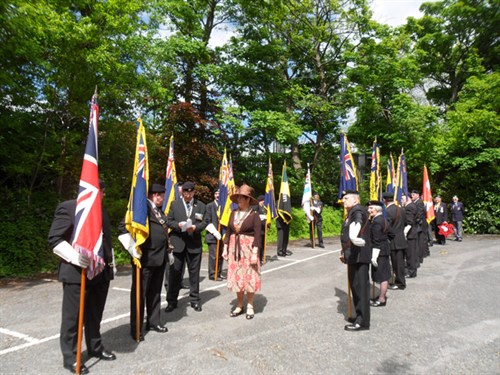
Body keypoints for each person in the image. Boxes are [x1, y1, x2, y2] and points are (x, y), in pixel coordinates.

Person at [48, 181, 116, 374]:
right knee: (73, 318)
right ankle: (71, 357)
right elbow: (55, 238)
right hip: (76, 272)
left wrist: (111, 264)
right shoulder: (69, 208)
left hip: (99, 272)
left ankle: (95, 347)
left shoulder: (101, 211)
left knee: (95, 315)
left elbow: (106, 240)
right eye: (101, 191)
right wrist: (74, 257)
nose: (103, 194)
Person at [118, 183, 169, 342]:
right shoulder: (141, 208)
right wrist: (132, 248)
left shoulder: (158, 211)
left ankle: (153, 322)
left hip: (159, 258)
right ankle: (136, 328)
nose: (161, 197)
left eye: (162, 194)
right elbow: (123, 227)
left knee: (155, 293)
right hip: (144, 260)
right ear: (150, 195)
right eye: (158, 194)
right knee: (139, 295)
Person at [165, 181, 207, 312]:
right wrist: (178, 225)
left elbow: (205, 222)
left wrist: (195, 228)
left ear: (194, 192)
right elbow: (168, 221)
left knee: (194, 275)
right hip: (178, 244)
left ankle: (195, 300)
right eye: (185, 192)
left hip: (194, 244)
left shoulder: (200, 205)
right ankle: (171, 301)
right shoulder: (174, 204)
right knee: (175, 274)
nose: (188, 195)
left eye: (190, 192)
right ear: (181, 192)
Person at [222, 184, 262, 319]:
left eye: (241, 198)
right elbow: (228, 231)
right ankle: (240, 305)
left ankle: (250, 305)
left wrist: (255, 253)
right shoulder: (233, 213)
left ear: (248, 200)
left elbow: (258, 235)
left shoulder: (255, 215)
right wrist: (225, 247)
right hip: (235, 248)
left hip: (249, 249)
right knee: (237, 276)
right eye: (238, 198)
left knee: (249, 276)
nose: (238, 200)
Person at [340, 190, 371, 331]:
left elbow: (357, 223)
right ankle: (359, 315)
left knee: (361, 288)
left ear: (355, 200)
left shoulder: (357, 210)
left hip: (359, 255)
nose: (343, 200)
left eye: (346, 198)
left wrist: (353, 236)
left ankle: (363, 322)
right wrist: (344, 252)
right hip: (353, 255)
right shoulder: (352, 211)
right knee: (355, 287)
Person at [367, 201, 391, 307]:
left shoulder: (376, 221)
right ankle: (382, 296)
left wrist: (374, 256)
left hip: (379, 251)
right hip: (384, 248)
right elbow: (391, 234)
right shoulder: (383, 219)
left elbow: (376, 240)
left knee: (382, 276)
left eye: (371, 208)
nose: (369, 210)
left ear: (377, 209)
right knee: (384, 274)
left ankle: (381, 299)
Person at [383, 192, 407, 290]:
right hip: (401, 238)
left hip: (394, 241)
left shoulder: (388, 211)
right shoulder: (401, 209)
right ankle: (399, 280)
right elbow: (405, 223)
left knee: (397, 263)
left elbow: (387, 227)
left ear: (385, 200)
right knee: (399, 262)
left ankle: (400, 283)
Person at [204, 188, 224, 281]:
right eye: (216, 193)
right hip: (212, 235)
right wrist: (215, 232)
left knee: (221, 255)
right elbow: (207, 220)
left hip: (222, 235)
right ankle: (213, 274)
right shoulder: (209, 206)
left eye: (219, 193)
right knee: (214, 256)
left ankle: (219, 273)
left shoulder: (224, 207)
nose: (218, 195)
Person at [404, 192, 419, 279]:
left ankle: (411, 272)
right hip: (412, 233)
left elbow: (409, 222)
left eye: (402, 198)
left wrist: (405, 232)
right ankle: (411, 270)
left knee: (410, 254)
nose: (401, 200)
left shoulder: (409, 207)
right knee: (411, 254)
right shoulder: (412, 206)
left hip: (410, 234)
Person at [255, 195, 268, 265]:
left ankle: (262, 256)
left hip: (263, 229)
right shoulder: (256, 207)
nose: (264, 202)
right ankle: (258, 258)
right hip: (258, 229)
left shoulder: (264, 207)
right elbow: (255, 215)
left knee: (262, 244)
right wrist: (262, 217)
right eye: (263, 200)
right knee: (258, 244)